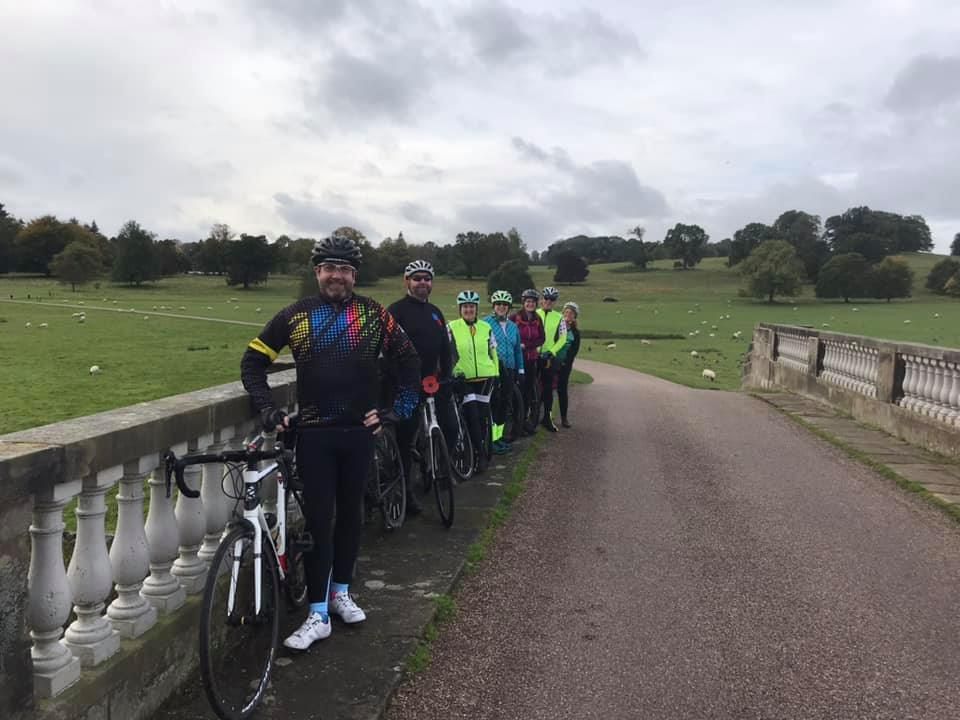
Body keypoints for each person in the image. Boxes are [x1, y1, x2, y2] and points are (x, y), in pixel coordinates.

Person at [241, 231, 420, 651]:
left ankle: (341, 592)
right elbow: (252, 362)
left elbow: (410, 362)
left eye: (344, 269)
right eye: (329, 269)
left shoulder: (374, 314)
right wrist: (268, 409)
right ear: (318, 272)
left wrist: (396, 410)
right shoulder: (296, 315)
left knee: (352, 517)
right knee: (320, 522)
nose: (336, 276)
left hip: (359, 434)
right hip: (315, 435)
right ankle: (317, 613)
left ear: (354, 274)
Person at [387, 259, 457, 516]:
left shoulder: (436, 312)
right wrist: (402, 380)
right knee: (405, 442)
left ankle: (436, 469)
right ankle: (407, 493)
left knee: (450, 428)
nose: (422, 283)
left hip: (433, 384)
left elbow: (445, 350)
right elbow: (386, 353)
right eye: (417, 278)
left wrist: (447, 376)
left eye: (427, 279)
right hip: (406, 385)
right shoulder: (396, 311)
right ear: (407, 282)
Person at [448, 290, 499, 473]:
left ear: (476, 309)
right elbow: (448, 355)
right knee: (472, 416)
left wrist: (497, 372)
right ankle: (479, 455)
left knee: (483, 417)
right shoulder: (451, 327)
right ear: (460, 309)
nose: (468, 310)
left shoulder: (486, 327)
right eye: (465, 307)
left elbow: (493, 352)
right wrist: (452, 372)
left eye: (471, 307)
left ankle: (483, 449)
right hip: (464, 378)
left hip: (486, 377)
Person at [483, 290, 524, 454]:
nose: (501, 307)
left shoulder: (514, 327)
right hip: (494, 370)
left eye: (504, 305)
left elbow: (517, 350)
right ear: (494, 306)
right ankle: (491, 439)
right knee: (494, 403)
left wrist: (520, 369)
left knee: (504, 404)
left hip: (510, 369)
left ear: (509, 308)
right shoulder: (486, 324)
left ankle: (498, 438)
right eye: (498, 304)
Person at [510, 289, 545, 435]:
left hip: (531, 359)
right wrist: (518, 346)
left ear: (536, 304)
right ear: (523, 303)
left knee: (528, 391)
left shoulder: (537, 319)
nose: (530, 304)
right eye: (527, 301)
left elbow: (542, 338)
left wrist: (528, 346)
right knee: (517, 391)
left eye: (532, 302)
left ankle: (524, 421)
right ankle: (514, 423)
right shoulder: (515, 318)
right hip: (518, 359)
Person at [536, 286, 567, 432]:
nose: (548, 301)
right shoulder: (535, 314)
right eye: (546, 298)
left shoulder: (559, 317)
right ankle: (531, 417)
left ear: (555, 302)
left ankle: (547, 418)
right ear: (542, 299)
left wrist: (552, 352)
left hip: (548, 358)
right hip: (533, 356)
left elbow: (563, 338)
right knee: (531, 388)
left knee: (548, 389)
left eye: (552, 299)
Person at [555, 301, 582, 429]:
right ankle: (545, 416)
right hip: (552, 361)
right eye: (566, 312)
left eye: (571, 313)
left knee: (562, 389)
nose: (568, 315)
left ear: (575, 316)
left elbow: (573, 351)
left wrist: (565, 362)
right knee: (546, 388)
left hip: (565, 364)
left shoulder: (575, 333)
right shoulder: (557, 327)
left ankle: (564, 418)